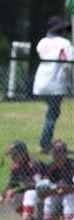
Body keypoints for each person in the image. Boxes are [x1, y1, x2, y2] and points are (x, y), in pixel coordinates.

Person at [32, 15, 74, 154]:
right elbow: (69, 64)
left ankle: (45, 143)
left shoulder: (42, 42)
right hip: (56, 83)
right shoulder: (65, 44)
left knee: (51, 113)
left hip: (41, 81)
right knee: (52, 115)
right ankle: (44, 144)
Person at [0, 140, 47, 220]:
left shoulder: (35, 164)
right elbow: (11, 185)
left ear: (24, 153)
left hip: (45, 192)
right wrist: (0, 198)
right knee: (11, 197)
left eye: (15, 155)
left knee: (29, 194)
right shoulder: (16, 168)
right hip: (31, 192)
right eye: (12, 155)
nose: (13, 157)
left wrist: (16, 190)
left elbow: (40, 185)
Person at [37, 140, 74, 220]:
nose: (57, 156)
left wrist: (64, 190)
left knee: (69, 198)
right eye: (55, 153)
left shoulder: (72, 166)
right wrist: (49, 192)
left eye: (59, 153)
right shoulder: (50, 167)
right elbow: (44, 185)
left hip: (71, 195)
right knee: (49, 199)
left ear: (65, 154)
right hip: (57, 194)